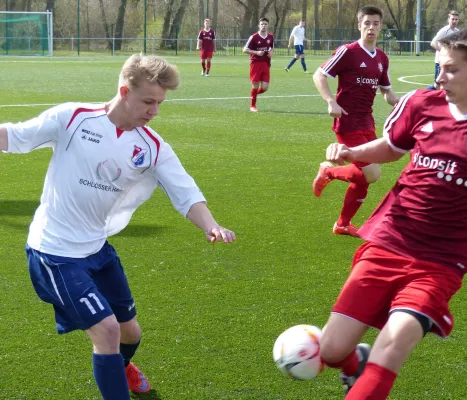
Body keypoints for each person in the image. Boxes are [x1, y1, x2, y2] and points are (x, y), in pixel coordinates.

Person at [0, 54, 236, 400]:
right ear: (125, 91)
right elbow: (15, 136)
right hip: (55, 252)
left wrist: (210, 225)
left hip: (98, 250)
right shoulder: (73, 118)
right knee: (107, 331)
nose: (154, 110)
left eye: (160, 103)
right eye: (148, 101)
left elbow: (185, 191)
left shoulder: (152, 146)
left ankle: (122, 366)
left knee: (131, 334)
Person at [317, 29, 467, 399]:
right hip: (388, 239)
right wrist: (354, 154)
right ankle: (356, 365)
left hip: (443, 260)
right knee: (331, 351)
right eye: (438, 67)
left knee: (394, 342)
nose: (439, 77)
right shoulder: (421, 103)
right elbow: (392, 146)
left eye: (450, 69)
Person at [312, 6, 398, 237]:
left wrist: (404, 103)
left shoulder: (381, 58)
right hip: (347, 122)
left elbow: (387, 92)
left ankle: (342, 224)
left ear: (381, 27)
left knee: (363, 179)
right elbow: (319, 75)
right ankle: (328, 172)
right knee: (372, 174)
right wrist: (331, 101)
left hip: (367, 122)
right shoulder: (348, 52)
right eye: (367, 23)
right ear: (359, 25)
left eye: (376, 23)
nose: (371, 27)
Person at [243, 17, 274, 112]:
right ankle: (252, 106)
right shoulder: (254, 37)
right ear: (259, 25)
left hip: (266, 64)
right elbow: (244, 50)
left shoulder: (271, 37)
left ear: (268, 25)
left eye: (265, 24)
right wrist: (256, 52)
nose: (263, 26)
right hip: (255, 64)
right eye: (262, 24)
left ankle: (253, 95)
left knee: (264, 88)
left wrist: (271, 53)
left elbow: (271, 48)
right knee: (255, 86)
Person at [427, 10, 459, 90]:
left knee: (449, 83)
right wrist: (444, 52)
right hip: (440, 62)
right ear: (448, 19)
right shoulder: (444, 31)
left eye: (456, 19)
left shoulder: (457, 32)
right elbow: (433, 43)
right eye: (452, 19)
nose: (454, 21)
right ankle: (425, 94)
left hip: (450, 62)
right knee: (437, 85)